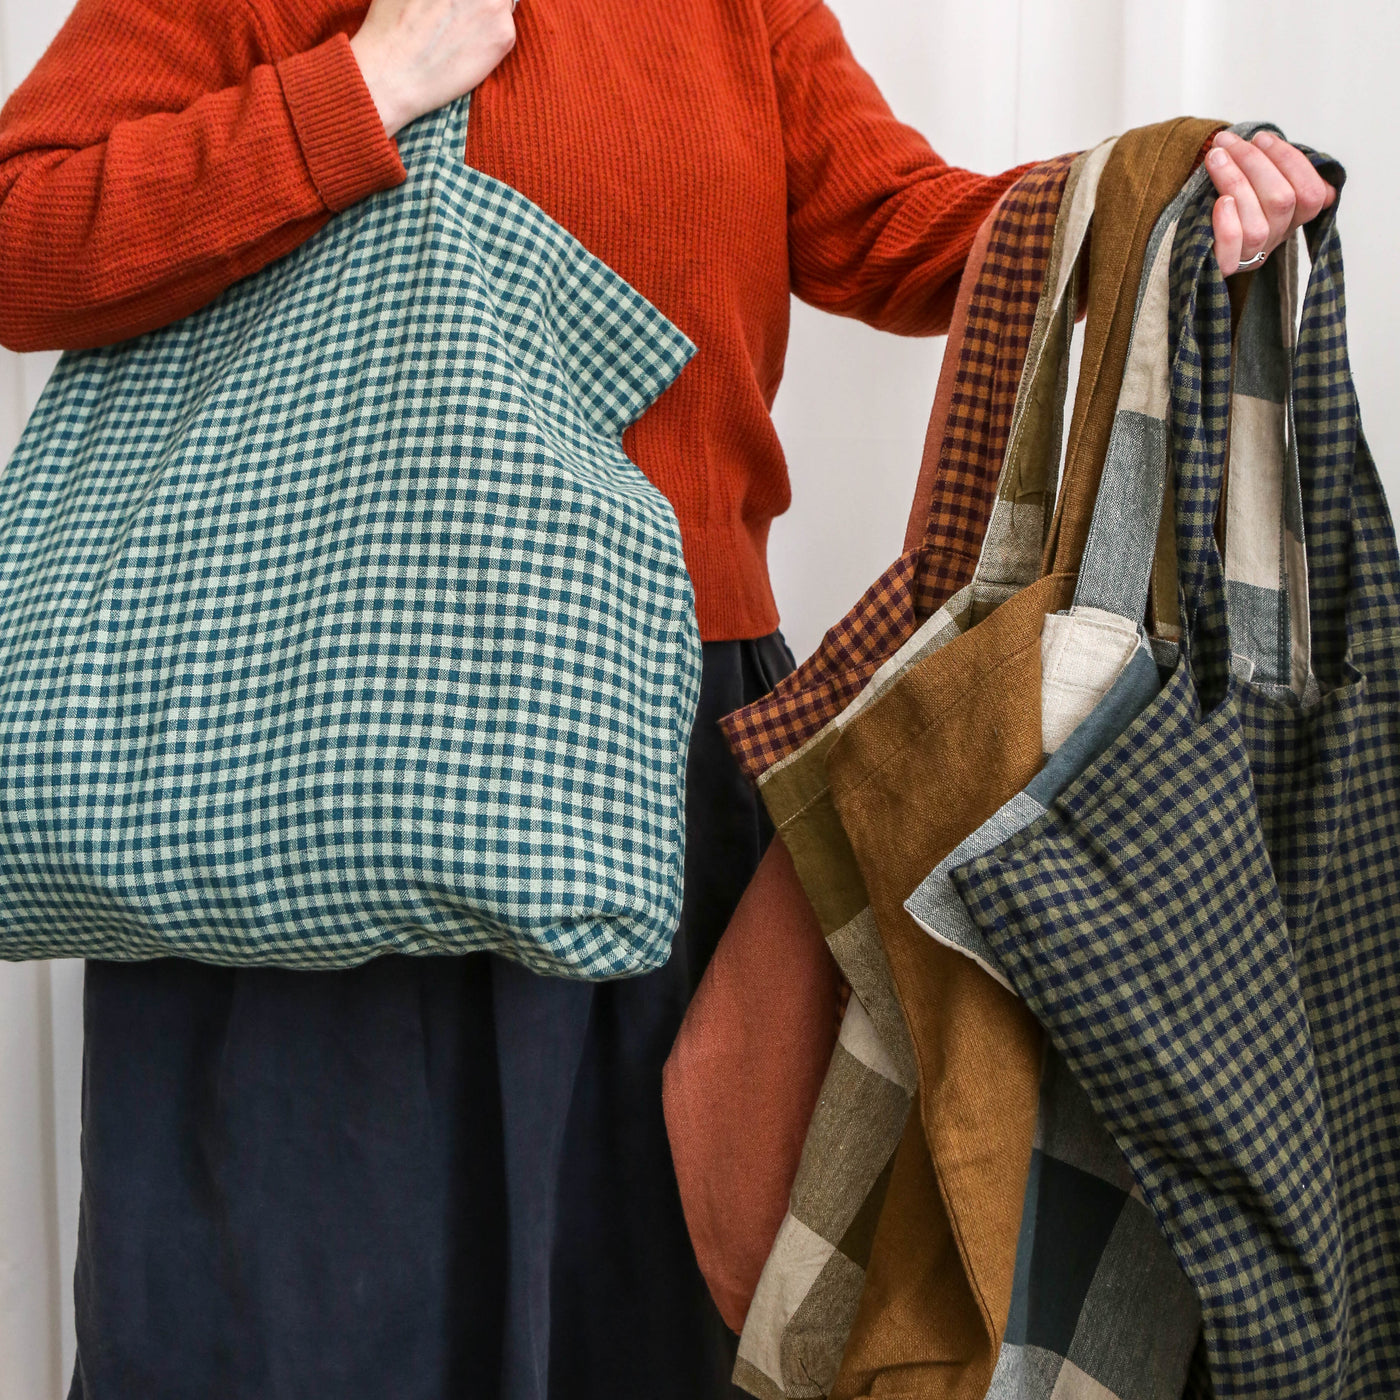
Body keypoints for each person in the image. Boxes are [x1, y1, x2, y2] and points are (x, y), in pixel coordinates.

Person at [0, 1, 1333, 1397]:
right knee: (304, 1330)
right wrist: (369, 83)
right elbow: (25, 235)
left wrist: (1161, 198)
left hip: (650, 732)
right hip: (299, 748)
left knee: (642, 1310)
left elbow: (891, 221)